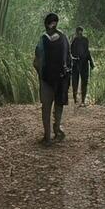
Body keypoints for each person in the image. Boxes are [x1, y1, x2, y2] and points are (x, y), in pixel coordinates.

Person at [33, 12, 69, 143]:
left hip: (46, 80)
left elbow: (36, 62)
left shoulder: (42, 39)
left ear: (46, 24)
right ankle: (57, 130)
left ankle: (47, 137)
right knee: (58, 105)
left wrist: (41, 75)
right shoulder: (64, 37)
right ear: (56, 23)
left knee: (46, 108)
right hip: (60, 79)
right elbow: (68, 60)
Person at [69, 26, 93, 107]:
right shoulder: (74, 41)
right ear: (76, 32)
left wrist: (91, 62)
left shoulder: (85, 40)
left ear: (82, 32)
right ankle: (75, 98)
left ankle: (82, 100)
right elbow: (71, 52)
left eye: (81, 32)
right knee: (75, 81)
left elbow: (87, 51)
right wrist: (73, 59)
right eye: (78, 32)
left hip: (84, 63)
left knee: (84, 82)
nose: (79, 33)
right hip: (76, 63)